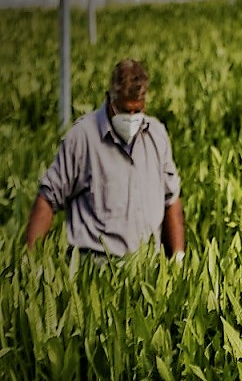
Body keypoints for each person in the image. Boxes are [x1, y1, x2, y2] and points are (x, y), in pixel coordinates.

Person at [25, 59, 185, 260]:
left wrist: (179, 256)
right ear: (110, 99)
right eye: (125, 111)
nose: (132, 118)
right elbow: (47, 198)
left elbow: (171, 200)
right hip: (95, 267)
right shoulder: (82, 137)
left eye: (138, 111)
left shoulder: (157, 135)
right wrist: (29, 260)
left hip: (146, 269)